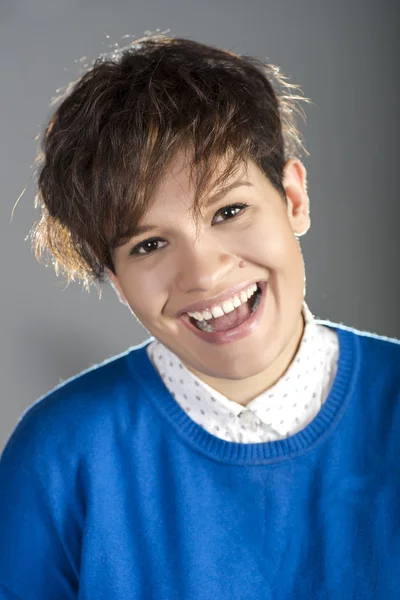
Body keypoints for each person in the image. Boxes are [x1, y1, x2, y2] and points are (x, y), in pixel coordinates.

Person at [0, 36, 399, 600]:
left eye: (228, 211)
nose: (205, 275)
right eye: (149, 245)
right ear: (114, 280)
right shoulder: (60, 453)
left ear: (293, 198)